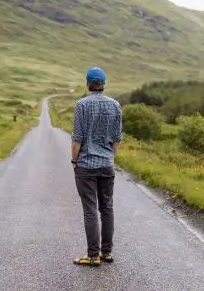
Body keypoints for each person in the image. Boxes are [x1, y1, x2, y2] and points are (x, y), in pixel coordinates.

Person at [71, 67, 122, 267]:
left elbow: (77, 140)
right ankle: (106, 252)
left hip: (86, 166)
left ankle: (93, 255)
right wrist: (109, 157)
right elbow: (117, 139)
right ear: (103, 84)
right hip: (107, 164)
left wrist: (74, 161)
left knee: (90, 210)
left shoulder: (81, 105)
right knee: (107, 208)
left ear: (87, 83)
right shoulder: (115, 105)